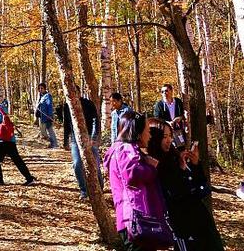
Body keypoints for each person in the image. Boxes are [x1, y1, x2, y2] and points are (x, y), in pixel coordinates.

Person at [148, 122, 224, 250]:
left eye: (170, 136)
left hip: (202, 223)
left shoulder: (175, 158)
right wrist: (182, 171)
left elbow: (202, 188)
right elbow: (178, 194)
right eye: (164, 136)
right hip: (184, 227)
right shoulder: (155, 165)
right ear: (155, 138)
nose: (169, 140)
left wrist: (195, 164)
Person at [103, 111, 169, 251]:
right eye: (147, 131)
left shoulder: (125, 150)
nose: (149, 135)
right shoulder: (126, 149)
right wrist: (151, 168)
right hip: (134, 219)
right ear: (137, 132)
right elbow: (132, 174)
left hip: (134, 218)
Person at [0, 96, 35, 186]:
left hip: (3, 140)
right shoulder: (0, 107)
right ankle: (29, 178)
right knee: (17, 159)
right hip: (10, 138)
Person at [63, 86, 103, 200]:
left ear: (80, 92)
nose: (74, 94)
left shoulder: (88, 104)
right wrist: (66, 140)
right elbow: (66, 124)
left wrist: (94, 138)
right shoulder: (67, 106)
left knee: (95, 163)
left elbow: (96, 121)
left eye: (76, 92)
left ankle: (99, 187)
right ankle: (84, 190)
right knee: (77, 164)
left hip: (90, 137)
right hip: (75, 139)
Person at [35, 83, 58, 149]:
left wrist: (50, 116)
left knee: (50, 130)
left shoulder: (48, 96)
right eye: (39, 88)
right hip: (41, 117)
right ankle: (52, 143)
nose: (40, 90)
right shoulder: (40, 96)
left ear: (45, 88)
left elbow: (49, 106)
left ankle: (55, 144)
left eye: (41, 88)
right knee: (43, 131)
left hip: (47, 116)